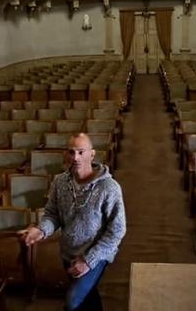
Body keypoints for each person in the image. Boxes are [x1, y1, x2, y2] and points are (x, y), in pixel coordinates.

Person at [20, 133, 126, 311]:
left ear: (92, 154)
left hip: (96, 254)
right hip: (68, 252)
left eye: (81, 152)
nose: (75, 157)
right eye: (71, 152)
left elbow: (117, 230)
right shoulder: (60, 182)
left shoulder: (109, 188)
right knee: (88, 298)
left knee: (73, 302)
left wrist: (88, 260)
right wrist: (41, 230)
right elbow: (52, 215)